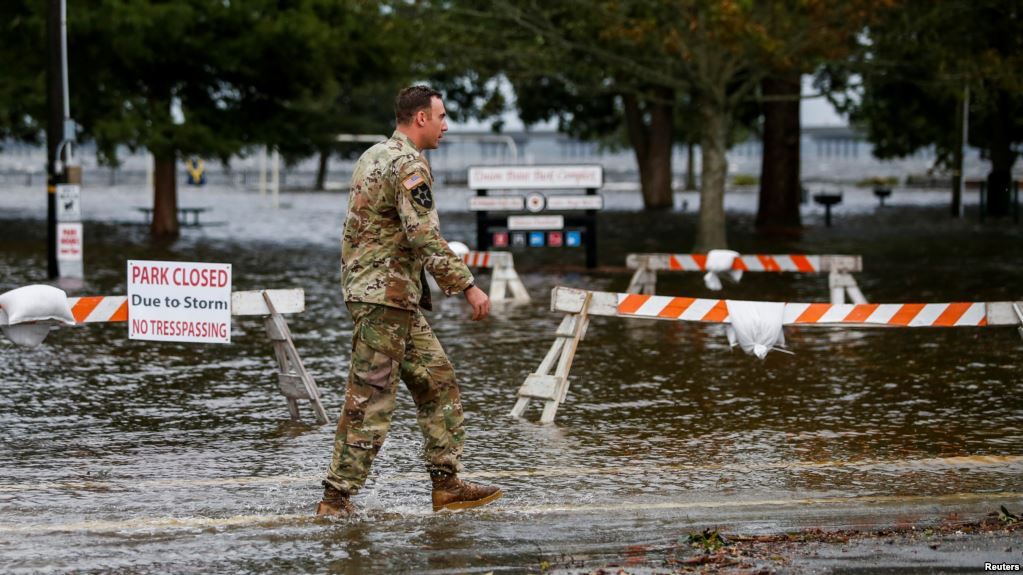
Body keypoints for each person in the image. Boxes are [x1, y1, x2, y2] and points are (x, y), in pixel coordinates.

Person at [316, 85, 502, 516]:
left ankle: (447, 483)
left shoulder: (373, 156)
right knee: (371, 398)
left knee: (438, 382)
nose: (446, 125)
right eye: (441, 116)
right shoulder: (407, 165)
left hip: (386, 296)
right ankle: (335, 500)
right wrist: (467, 285)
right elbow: (424, 235)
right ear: (420, 118)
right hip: (384, 299)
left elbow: (357, 231)